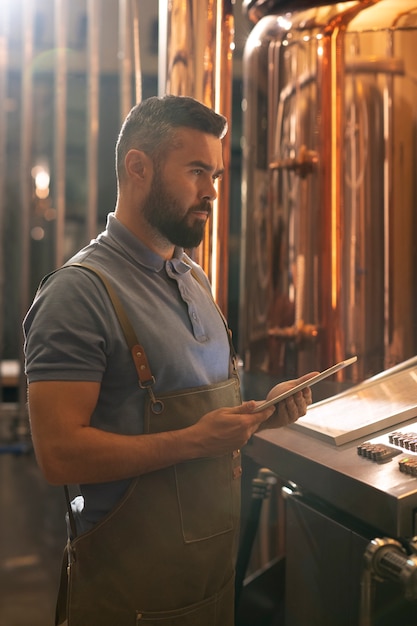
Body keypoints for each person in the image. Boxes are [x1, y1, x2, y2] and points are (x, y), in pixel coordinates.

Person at [23, 94, 315, 626]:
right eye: (197, 171)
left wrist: (260, 414)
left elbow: (206, 422)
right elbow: (58, 455)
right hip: (126, 605)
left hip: (210, 593)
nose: (211, 192)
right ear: (139, 167)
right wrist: (194, 441)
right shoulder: (79, 294)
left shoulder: (193, 278)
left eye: (217, 175)